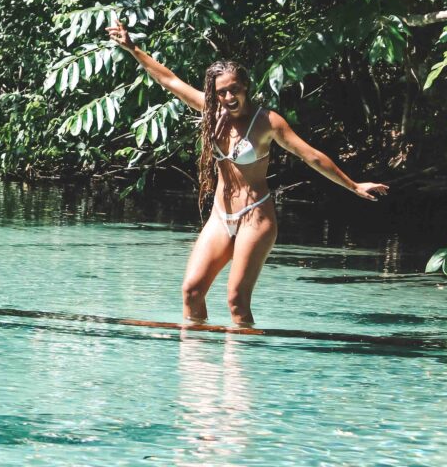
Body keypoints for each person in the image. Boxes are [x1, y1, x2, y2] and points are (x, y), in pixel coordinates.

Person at [108, 21, 388, 326]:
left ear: (246, 88)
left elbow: (311, 157)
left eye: (234, 90)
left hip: (256, 216)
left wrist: (354, 185)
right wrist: (132, 48)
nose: (229, 98)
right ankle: (196, 366)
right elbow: (169, 80)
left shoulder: (268, 122)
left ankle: (239, 370)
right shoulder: (212, 113)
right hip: (220, 215)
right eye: (222, 92)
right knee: (191, 290)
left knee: (236, 301)